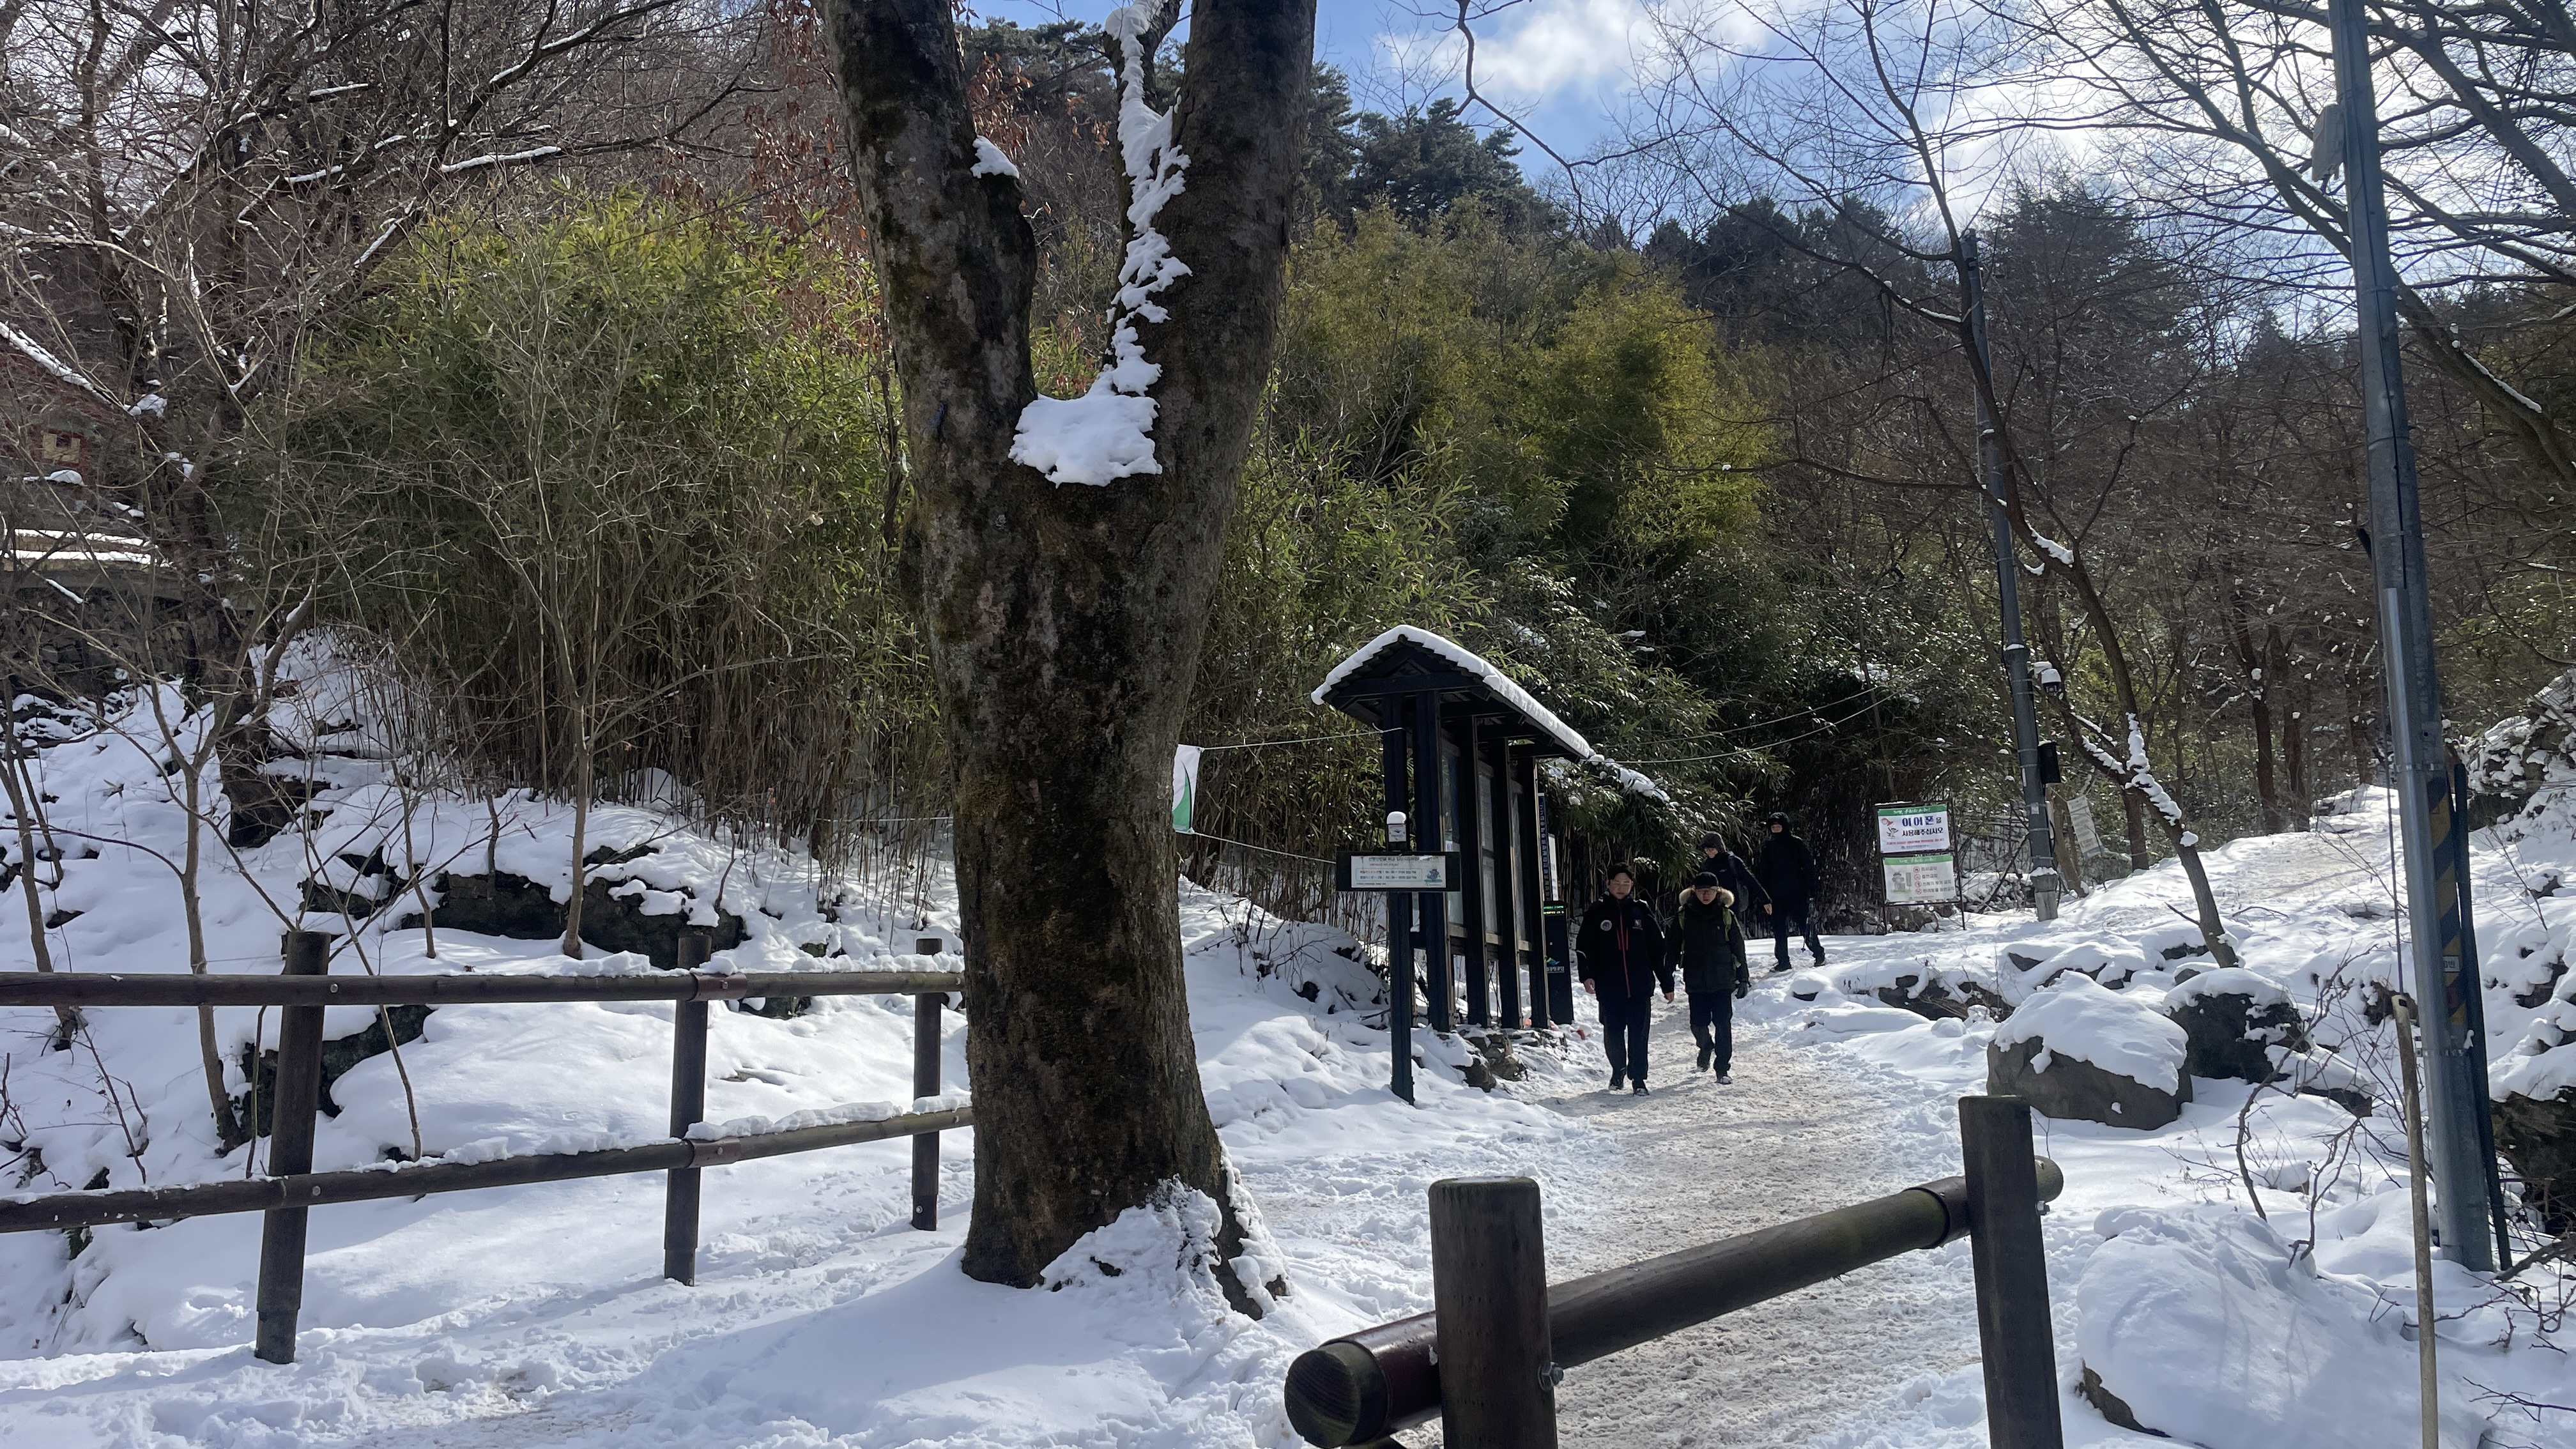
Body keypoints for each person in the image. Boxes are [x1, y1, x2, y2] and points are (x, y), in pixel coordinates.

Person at [1577, 864, 1671, 1094]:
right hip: (1609, 987)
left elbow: (1658, 950)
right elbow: (1584, 948)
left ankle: (1638, 1079)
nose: (1621, 887)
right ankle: (1618, 1068)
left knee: (1639, 1035)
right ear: (1608, 884)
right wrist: (1587, 975)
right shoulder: (1597, 912)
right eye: (1617, 883)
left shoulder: (1641, 912)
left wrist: (1666, 983)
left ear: (1632, 885)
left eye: (1626, 883)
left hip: (1639, 986)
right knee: (1613, 1033)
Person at [1674, 871, 1751, 1080]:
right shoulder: (1684, 916)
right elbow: (1672, 946)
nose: (1706, 895)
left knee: (1723, 1023)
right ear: (1694, 891)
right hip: (1696, 980)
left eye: (1710, 891)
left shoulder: (1726, 915)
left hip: (1723, 979)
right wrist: (1666, 977)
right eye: (1701, 891)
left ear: (1718, 892)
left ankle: (1722, 1068)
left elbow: (1738, 947)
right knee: (1698, 1024)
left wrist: (1743, 978)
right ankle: (1706, 1046)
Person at [1756, 811, 1825, 972]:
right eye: (1773, 827)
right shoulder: (1768, 846)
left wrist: (1812, 888)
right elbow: (1764, 872)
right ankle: (1783, 961)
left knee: (1806, 926)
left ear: (1785, 826)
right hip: (1776, 895)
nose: (1775, 829)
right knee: (1779, 930)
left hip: (1797, 893)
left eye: (1778, 826)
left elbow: (1809, 867)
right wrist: (1764, 895)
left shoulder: (1796, 843)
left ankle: (1819, 954)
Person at [1696, 832, 1770, 923]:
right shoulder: (1705, 864)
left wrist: (1765, 900)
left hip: (1731, 905)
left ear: (1719, 848)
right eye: (1707, 850)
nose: (1709, 852)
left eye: (1712, 850)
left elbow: (1751, 880)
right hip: (1711, 905)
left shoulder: (1732, 861)